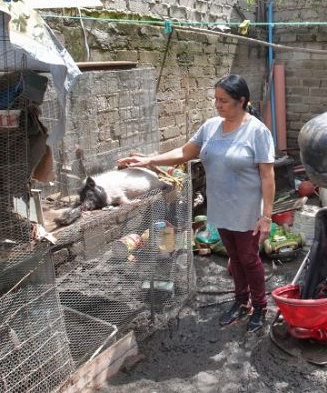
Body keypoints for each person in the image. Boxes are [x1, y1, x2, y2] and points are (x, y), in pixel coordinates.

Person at [118, 74, 275, 333]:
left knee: (249, 258)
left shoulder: (257, 131)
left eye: (223, 100)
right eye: (215, 99)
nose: (217, 104)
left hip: (247, 209)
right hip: (221, 205)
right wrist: (150, 160)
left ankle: (259, 306)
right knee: (234, 257)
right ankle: (240, 301)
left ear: (241, 101)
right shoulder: (211, 126)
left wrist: (266, 216)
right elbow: (183, 152)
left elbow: (268, 176)